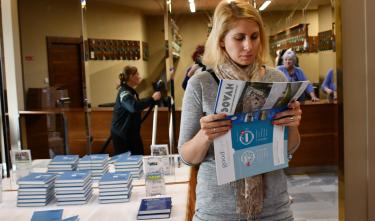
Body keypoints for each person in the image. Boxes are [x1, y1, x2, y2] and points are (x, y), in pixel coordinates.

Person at [178, 1, 302, 220]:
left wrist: (292, 125)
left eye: (254, 37)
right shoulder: (201, 84)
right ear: (222, 41)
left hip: (274, 208)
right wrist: (205, 135)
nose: (249, 46)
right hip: (218, 211)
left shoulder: (277, 79)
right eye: (239, 38)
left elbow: (289, 149)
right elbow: (187, 157)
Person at [111, 65, 161, 155]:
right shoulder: (124, 92)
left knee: (139, 156)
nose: (139, 77)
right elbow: (133, 107)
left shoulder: (130, 91)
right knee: (127, 162)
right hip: (122, 135)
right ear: (131, 76)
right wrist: (152, 99)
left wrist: (151, 99)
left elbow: (137, 103)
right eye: (137, 74)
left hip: (131, 133)